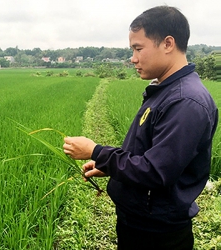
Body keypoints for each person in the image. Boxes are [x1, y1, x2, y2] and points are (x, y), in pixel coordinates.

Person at [63, 6, 218, 250]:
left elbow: (156, 172)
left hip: (157, 233)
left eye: (138, 48)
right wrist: (108, 166)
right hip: (141, 221)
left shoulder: (185, 102)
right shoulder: (165, 90)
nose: (133, 58)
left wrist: (96, 151)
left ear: (168, 44)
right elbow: (149, 154)